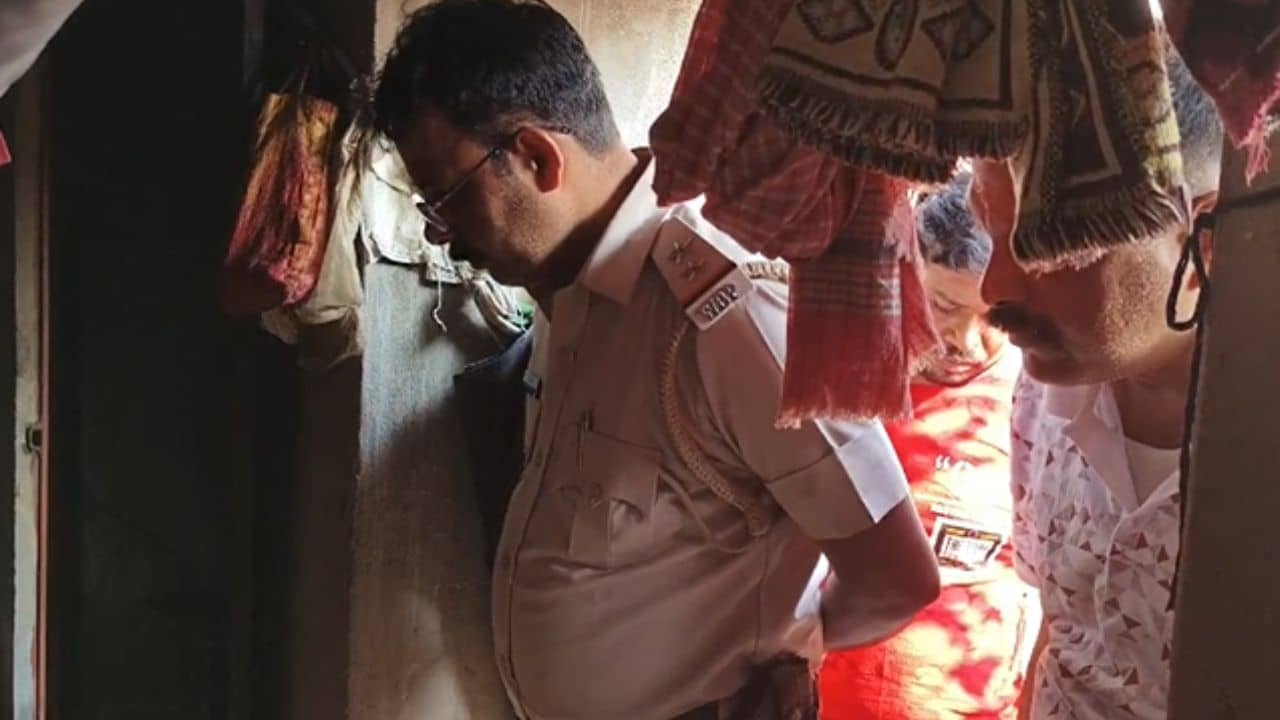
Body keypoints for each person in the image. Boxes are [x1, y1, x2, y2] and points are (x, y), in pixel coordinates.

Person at [370, 2, 941, 719]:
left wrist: (787, 652)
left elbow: (896, 579)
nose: (441, 236)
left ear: (538, 158)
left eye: (449, 200)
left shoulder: (725, 318)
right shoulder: (569, 295)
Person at [971, 49, 1224, 720]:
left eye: (1048, 244)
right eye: (991, 234)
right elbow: (1061, 632)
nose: (994, 288)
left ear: (1207, 242)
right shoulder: (1045, 394)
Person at [818, 173, 1041, 720]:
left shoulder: (1037, 406)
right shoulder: (840, 379)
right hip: (823, 698)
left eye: (993, 317)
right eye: (943, 305)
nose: (965, 340)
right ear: (906, 275)